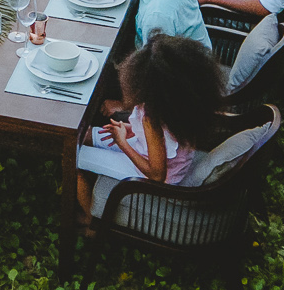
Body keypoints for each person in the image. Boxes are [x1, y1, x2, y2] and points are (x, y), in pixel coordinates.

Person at [75, 35, 226, 217]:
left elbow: (156, 175)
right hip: (151, 151)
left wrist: (122, 142)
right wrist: (131, 129)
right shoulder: (179, 104)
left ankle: (91, 223)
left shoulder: (152, 119)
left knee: (72, 157)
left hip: (155, 177)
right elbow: (162, 138)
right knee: (87, 135)